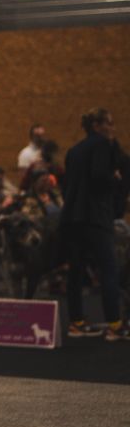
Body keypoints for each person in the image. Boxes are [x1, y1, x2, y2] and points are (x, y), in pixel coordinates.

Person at [61, 108, 127, 340]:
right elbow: (100, 177)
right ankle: (115, 325)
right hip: (96, 217)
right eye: (109, 123)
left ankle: (76, 323)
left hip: (72, 218)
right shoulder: (103, 144)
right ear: (97, 126)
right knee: (109, 269)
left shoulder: (73, 151)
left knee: (76, 271)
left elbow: (67, 184)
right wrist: (115, 180)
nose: (113, 128)